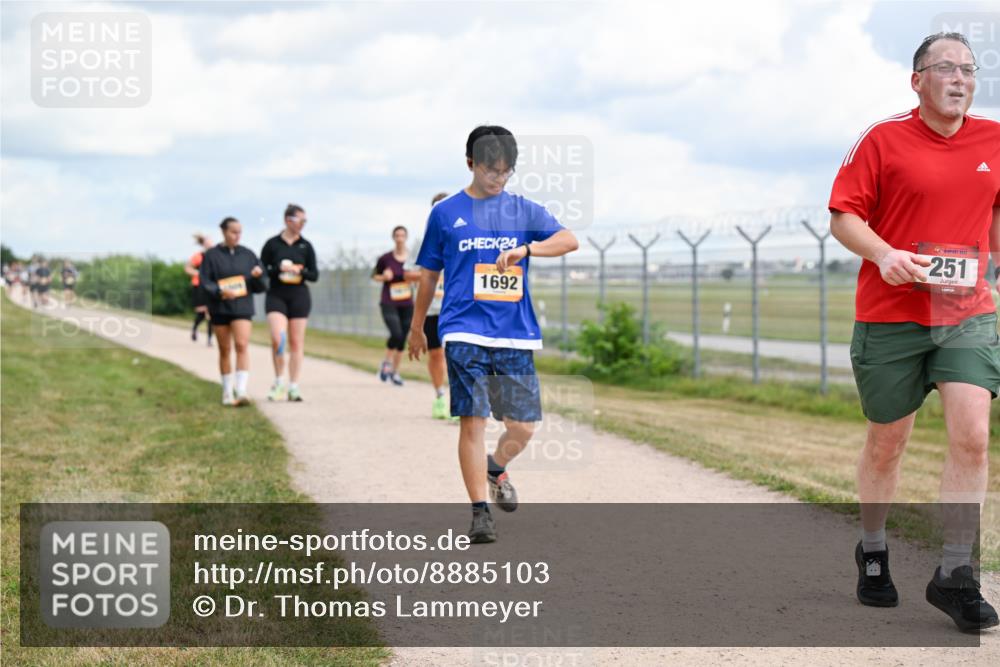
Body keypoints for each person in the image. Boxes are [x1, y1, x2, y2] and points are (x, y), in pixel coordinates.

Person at [829, 32, 999, 632]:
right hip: (891, 315)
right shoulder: (883, 139)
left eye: (969, 69)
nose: (960, 78)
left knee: (974, 436)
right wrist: (882, 255)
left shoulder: (994, 140)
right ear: (917, 80)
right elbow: (844, 216)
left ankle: (955, 574)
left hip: (966, 314)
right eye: (946, 68)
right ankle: (872, 547)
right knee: (887, 442)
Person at [408, 125, 579, 543]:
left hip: (515, 333)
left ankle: (496, 467)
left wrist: (527, 249)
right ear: (470, 164)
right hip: (463, 328)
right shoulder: (445, 214)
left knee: (522, 427)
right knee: (473, 420)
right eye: (490, 170)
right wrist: (416, 327)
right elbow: (429, 275)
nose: (498, 179)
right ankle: (480, 511)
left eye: (505, 172)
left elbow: (568, 239)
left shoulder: (523, 211)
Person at [199, 217, 267, 407]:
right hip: (220, 307)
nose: (237, 236)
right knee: (225, 349)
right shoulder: (211, 256)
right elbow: (205, 282)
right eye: (233, 232)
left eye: (239, 232)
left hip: (242, 306)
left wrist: (258, 277)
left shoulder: (248, 255)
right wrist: (220, 292)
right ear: (224, 232)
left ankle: (242, 390)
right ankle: (227, 392)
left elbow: (262, 285)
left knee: (241, 344)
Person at [261, 204, 318, 402]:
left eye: (305, 221)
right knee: (278, 339)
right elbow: (262, 270)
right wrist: (278, 268)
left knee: (296, 342)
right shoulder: (272, 244)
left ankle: (293, 386)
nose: (303, 224)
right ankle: (278, 381)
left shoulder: (306, 246)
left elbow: (314, 274)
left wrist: (299, 271)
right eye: (300, 220)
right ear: (288, 220)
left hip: (299, 296)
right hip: (276, 295)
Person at [373, 226, 420, 386]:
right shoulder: (385, 258)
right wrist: (384, 277)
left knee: (402, 339)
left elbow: (421, 275)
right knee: (396, 333)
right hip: (389, 302)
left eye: (402, 235)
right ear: (393, 238)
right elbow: (374, 276)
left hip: (407, 303)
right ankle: (386, 362)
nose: (400, 238)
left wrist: (414, 277)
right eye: (397, 235)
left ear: (406, 237)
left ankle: (395, 372)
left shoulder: (413, 258)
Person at [423, 192, 453, 419]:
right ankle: (440, 396)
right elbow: (412, 273)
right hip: (432, 309)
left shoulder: (463, 237)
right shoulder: (424, 242)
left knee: (457, 356)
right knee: (436, 355)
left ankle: (460, 403)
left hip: (455, 309)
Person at [185, 234, 214, 345]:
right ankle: (194, 329)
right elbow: (187, 268)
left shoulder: (215, 257)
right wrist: (199, 273)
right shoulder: (199, 256)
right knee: (201, 314)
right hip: (199, 287)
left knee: (212, 313)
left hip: (211, 287)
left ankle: (210, 338)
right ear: (204, 244)